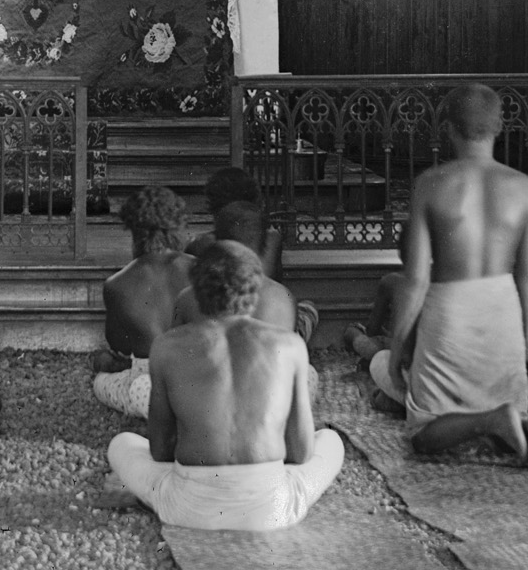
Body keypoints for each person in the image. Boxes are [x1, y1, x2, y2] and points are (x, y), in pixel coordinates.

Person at [367, 84, 528, 469]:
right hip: (502, 310)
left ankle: (491, 420)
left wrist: (398, 345)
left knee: (422, 434)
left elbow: (415, 280)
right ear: (500, 125)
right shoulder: (524, 188)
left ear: (447, 128)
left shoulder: (431, 184)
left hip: (450, 311)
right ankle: (526, 423)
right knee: (503, 399)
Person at [107, 241, 346, 531]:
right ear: (256, 288)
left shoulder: (166, 347)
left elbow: (160, 451)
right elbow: (302, 453)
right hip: (273, 510)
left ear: (195, 289)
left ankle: (156, 496)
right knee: (331, 442)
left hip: (186, 508)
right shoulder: (290, 345)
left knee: (123, 444)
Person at [93, 188, 194, 417]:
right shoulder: (199, 268)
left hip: (149, 381)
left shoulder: (116, 283)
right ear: (178, 226)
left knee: (101, 382)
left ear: (132, 230)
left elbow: (118, 344)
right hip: (200, 374)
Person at [206, 191, 320, 344]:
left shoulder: (191, 296)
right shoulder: (281, 296)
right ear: (263, 247)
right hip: (268, 358)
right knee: (308, 309)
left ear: (217, 242)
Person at [345, 226, 414, 365]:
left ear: (400, 252)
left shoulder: (391, 281)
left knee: (352, 332)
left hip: (401, 354)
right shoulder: (441, 280)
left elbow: (373, 329)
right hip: (430, 354)